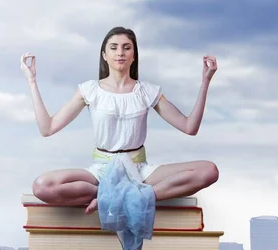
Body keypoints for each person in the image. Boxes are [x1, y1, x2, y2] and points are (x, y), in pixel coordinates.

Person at [20, 26, 219, 215]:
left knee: (209, 170)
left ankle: (135, 196)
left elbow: (189, 127)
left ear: (134, 56)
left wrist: (206, 82)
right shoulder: (89, 90)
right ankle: (110, 195)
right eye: (113, 48)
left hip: (140, 170)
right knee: (42, 186)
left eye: (126, 47)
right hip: (102, 170)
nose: (120, 52)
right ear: (104, 56)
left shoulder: (147, 91)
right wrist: (31, 81)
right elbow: (47, 128)